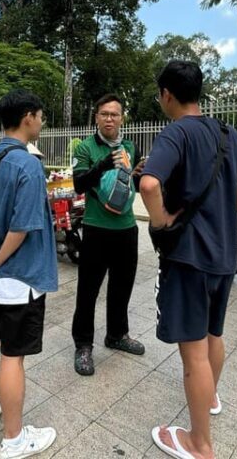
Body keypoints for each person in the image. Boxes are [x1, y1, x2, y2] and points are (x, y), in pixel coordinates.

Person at [140, 61, 237, 459]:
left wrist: (161, 223)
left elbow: (148, 183)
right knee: (214, 335)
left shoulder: (175, 132)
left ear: (167, 95)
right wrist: (230, 208)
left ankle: (200, 443)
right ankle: (209, 400)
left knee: (192, 352)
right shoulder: (226, 133)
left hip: (189, 257)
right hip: (225, 257)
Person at [0, 90, 58, 459]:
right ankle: (14, 439)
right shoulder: (29, 165)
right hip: (19, 280)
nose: (42, 122)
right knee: (13, 357)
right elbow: (22, 226)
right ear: (27, 118)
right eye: (40, 116)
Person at [71, 93, 146, 376]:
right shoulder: (85, 148)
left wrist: (139, 172)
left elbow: (133, 184)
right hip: (96, 228)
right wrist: (104, 164)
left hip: (126, 228)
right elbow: (79, 184)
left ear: (122, 118)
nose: (110, 119)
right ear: (96, 117)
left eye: (115, 114)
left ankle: (116, 335)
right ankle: (83, 345)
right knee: (87, 291)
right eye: (104, 114)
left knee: (122, 286)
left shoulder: (130, 146)